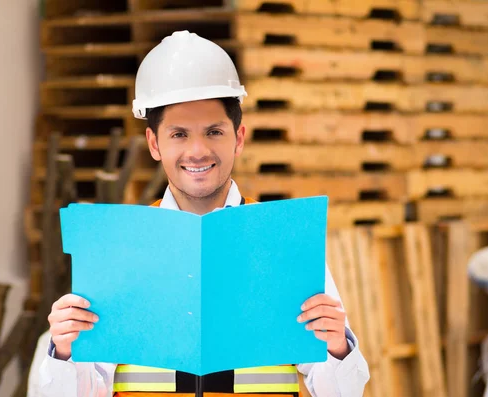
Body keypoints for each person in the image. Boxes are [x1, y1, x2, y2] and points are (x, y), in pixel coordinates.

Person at [37, 31, 370, 396]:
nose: (197, 150)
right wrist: (66, 352)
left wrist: (338, 347)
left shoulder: (281, 243)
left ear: (239, 137)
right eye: (179, 134)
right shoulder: (123, 248)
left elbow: (343, 392)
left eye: (214, 131)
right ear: (154, 143)